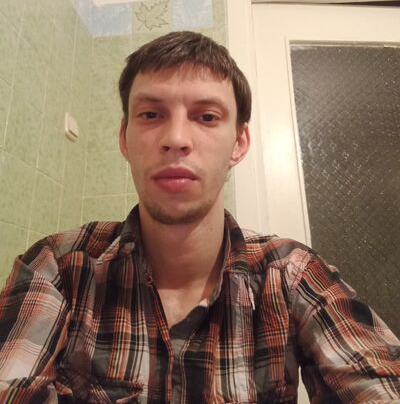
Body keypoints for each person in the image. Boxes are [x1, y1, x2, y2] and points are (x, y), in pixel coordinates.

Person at [0, 31, 399, 404]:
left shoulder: (294, 275)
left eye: (207, 117)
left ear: (239, 142)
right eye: (151, 114)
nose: (176, 139)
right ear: (124, 138)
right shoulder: (58, 267)